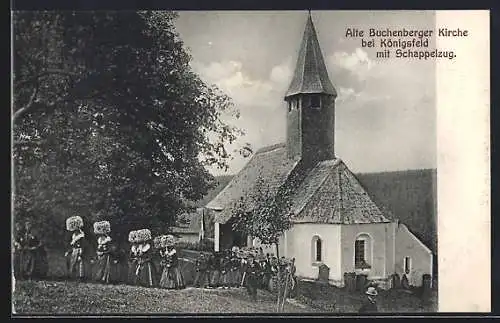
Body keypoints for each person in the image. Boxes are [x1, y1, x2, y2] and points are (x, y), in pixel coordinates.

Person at [65, 216, 88, 281]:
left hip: (79, 249)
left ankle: (81, 277)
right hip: (74, 250)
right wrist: (69, 251)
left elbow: (83, 245)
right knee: (72, 262)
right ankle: (72, 275)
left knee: (80, 262)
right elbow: (72, 244)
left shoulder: (81, 235)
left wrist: (81, 253)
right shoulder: (74, 235)